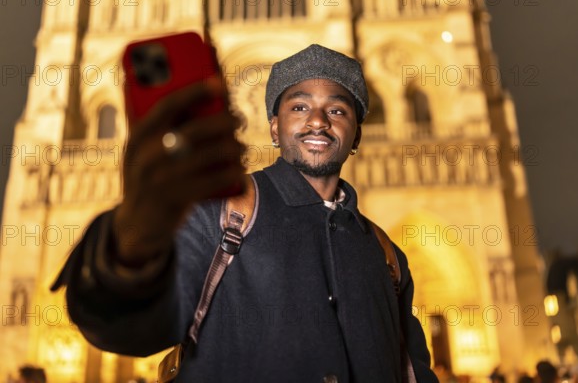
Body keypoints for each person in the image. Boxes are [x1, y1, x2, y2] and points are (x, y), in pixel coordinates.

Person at [52, 44, 438, 382]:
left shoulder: (386, 254)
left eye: (337, 110)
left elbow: (412, 370)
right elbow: (131, 327)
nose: (317, 120)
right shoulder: (219, 216)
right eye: (299, 106)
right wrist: (134, 238)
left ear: (356, 134)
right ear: (274, 127)